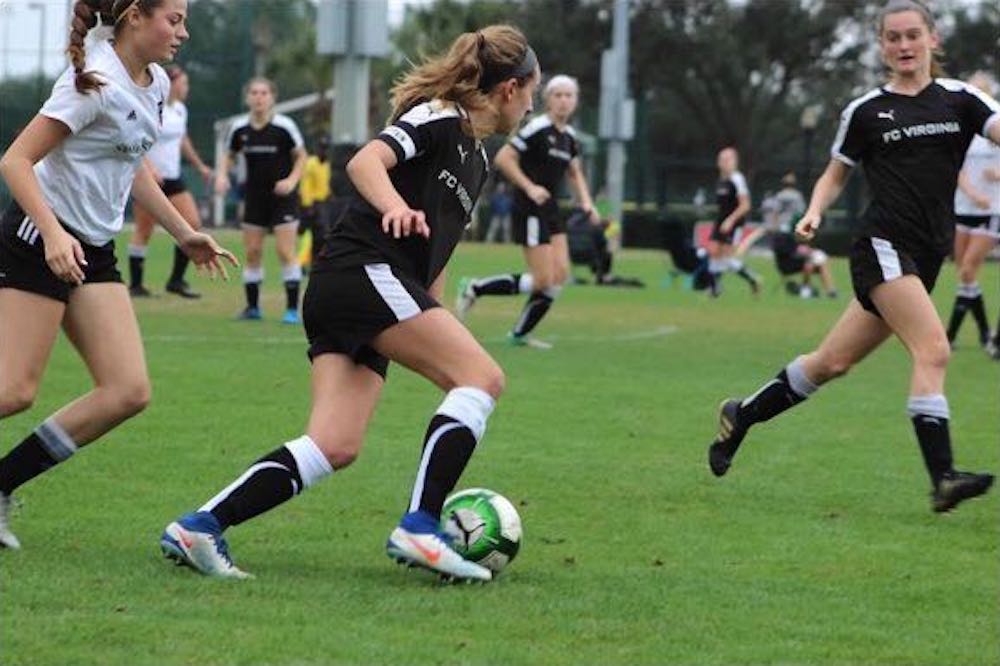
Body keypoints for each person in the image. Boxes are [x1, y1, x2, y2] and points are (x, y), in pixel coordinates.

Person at [159, 25, 540, 581]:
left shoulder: (477, 162)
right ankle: (421, 525)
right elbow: (365, 163)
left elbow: (437, 259)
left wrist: (436, 319)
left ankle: (200, 526)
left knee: (334, 444)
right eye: (532, 91)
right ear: (510, 89)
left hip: (364, 289)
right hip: (362, 273)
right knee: (483, 378)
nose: (530, 104)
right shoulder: (439, 117)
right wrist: (394, 208)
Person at [707, 0, 998, 513]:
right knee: (934, 350)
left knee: (830, 362)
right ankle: (943, 477)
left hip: (925, 257)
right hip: (883, 247)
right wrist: (815, 210)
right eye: (893, 38)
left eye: (913, 35)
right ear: (882, 46)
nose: (904, 46)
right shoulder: (866, 111)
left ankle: (741, 414)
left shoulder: (961, 100)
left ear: (933, 40)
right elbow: (835, 172)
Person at [0, 0, 235, 550]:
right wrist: (54, 235)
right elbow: (15, 161)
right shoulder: (94, 81)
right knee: (13, 390)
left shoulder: (151, 82)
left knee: (127, 391)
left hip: (93, 249)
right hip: (41, 241)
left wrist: (183, 232)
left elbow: (131, 165)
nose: (183, 31)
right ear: (134, 16)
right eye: (173, 20)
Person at [455, 74, 599, 348]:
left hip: (551, 208)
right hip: (529, 206)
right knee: (543, 279)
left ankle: (520, 334)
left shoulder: (569, 138)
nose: (564, 101)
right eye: (558, 95)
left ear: (576, 101)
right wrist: (530, 187)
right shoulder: (537, 128)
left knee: (560, 276)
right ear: (547, 99)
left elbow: (574, 172)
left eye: (569, 96)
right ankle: (475, 287)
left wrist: (587, 202)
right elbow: (504, 158)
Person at [216, 77, 308, 324]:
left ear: (272, 97)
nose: (259, 97)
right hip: (254, 198)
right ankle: (253, 307)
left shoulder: (284, 126)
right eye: (254, 93)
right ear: (247, 98)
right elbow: (229, 155)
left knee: (285, 251)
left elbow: (301, 157)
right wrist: (223, 176)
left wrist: (291, 181)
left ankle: (291, 310)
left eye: (264, 93)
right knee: (253, 252)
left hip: (283, 199)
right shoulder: (240, 128)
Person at [127, 63, 212, 299]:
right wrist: (149, 168)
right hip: (149, 180)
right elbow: (135, 137)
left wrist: (200, 166)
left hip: (174, 178)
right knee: (144, 231)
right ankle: (136, 285)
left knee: (192, 223)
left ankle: (176, 280)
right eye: (184, 83)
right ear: (172, 84)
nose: (187, 88)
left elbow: (183, 140)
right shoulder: (154, 106)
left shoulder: (180, 110)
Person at [945, 73, 1000, 350]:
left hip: (992, 210)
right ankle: (986, 334)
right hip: (963, 208)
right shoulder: (961, 129)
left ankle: (950, 336)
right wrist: (970, 192)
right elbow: (956, 169)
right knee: (965, 275)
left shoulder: (995, 125)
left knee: (968, 269)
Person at [707, 147, 761, 297]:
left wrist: (730, 220)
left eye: (727, 159)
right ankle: (715, 288)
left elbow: (745, 205)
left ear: (735, 162)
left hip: (734, 222)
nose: (723, 163)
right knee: (713, 252)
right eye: (721, 160)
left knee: (725, 257)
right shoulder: (721, 180)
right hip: (720, 221)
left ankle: (752, 278)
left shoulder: (737, 179)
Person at [297, 136, 333, 272]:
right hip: (312, 204)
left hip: (323, 203)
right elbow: (305, 185)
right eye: (322, 148)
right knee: (310, 234)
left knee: (319, 235)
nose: (324, 151)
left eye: (326, 149)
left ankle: (313, 262)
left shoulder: (326, 164)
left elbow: (325, 184)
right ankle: (302, 262)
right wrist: (308, 205)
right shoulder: (311, 163)